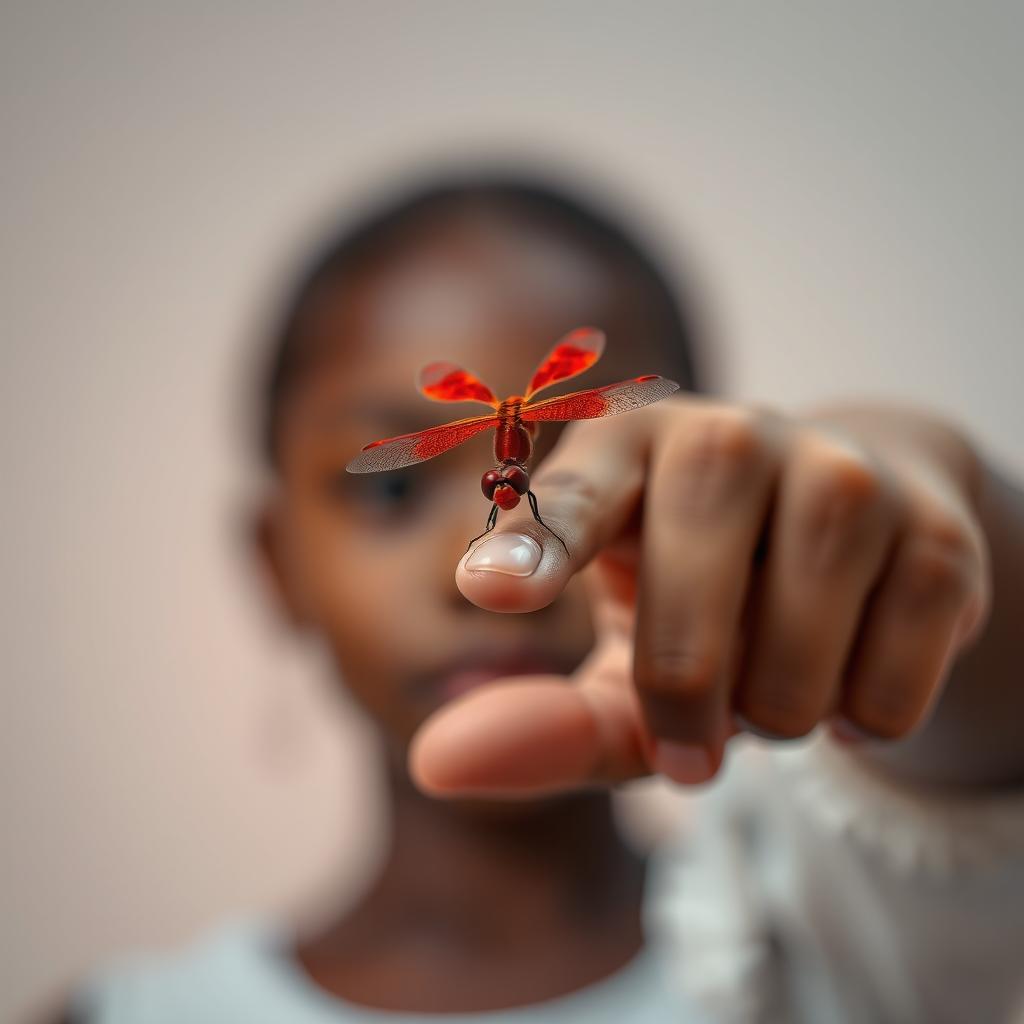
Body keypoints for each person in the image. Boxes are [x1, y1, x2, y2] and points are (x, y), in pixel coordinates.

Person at [50, 175, 1024, 1023]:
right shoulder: (123, 1015)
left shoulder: (832, 956)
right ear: (275, 565)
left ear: (707, 492)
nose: (482, 564)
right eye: (388, 491)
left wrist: (927, 500)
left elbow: (989, 714)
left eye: (585, 459)